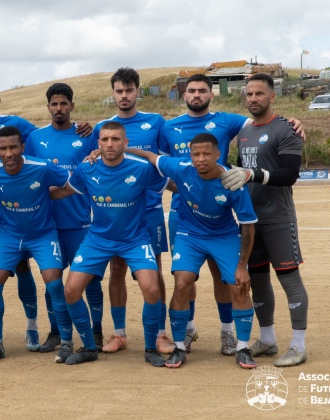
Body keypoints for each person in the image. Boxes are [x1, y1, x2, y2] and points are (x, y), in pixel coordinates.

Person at [0, 79, 92, 352]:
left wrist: (82, 129)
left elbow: (55, 153)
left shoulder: (24, 134)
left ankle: (37, 329)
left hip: (33, 223)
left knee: (37, 274)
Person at [127, 133, 258, 369]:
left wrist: (242, 267)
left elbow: (248, 224)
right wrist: (121, 150)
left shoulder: (232, 181)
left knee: (239, 284)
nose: (201, 159)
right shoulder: (181, 167)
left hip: (224, 235)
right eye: (196, 154)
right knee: (182, 282)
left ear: (218, 155)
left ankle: (243, 347)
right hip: (190, 235)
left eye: (207, 154)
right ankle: (179, 346)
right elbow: (150, 156)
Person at [52, 121, 167, 366]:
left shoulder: (142, 168)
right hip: (98, 239)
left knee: (152, 288)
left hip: (135, 239)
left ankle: (150, 348)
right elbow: (63, 191)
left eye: (115, 139)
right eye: (104, 139)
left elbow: (175, 185)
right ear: (98, 143)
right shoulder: (87, 169)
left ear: (125, 143)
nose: (109, 144)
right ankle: (89, 347)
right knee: (71, 290)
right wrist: (20, 192)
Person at [221, 73, 309, 367]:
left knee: (289, 279)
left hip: (278, 218)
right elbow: (242, 172)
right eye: (249, 94)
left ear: (273, 97)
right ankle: (268, 339)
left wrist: (252, 174)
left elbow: (289, 175)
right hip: (250, 219)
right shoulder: (243, 132)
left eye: (259, 94)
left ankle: (298, 345)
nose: (253, 99)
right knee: (258, 281)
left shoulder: (286, 129)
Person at [0, 126, 75, 363]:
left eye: (13, 147)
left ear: (22, 147)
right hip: (9, 235)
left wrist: (45, 195)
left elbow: (70, 183)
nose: (8, 153)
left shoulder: (42, 167)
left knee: (55, 284)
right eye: (3, 148)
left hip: (43, 235)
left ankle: (67, 340)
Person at [91, 67, 172, 355]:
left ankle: (161, 333)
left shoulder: (156, 123)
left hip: (149, 210)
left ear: (138, 91)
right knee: (117, 269)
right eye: (118, 91)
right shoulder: (104, 127)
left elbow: (166, 161)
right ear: (112, 93)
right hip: (116, 214)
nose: (124, 96)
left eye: (128, 90)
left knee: (155, 272)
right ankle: (119, 333)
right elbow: (93, 161)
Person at [27, 83, 103, 353]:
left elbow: (100, 162)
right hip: (47, 224)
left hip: (80, 221)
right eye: (54, 104)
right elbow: (30, 176)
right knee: (53, 282)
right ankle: (56, 331)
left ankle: (97, 330)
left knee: (91, 279)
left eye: (63, 103)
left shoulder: (87, 135)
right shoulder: (35, 138)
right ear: (48, 107)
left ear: (72, 105)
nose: (58, 108)